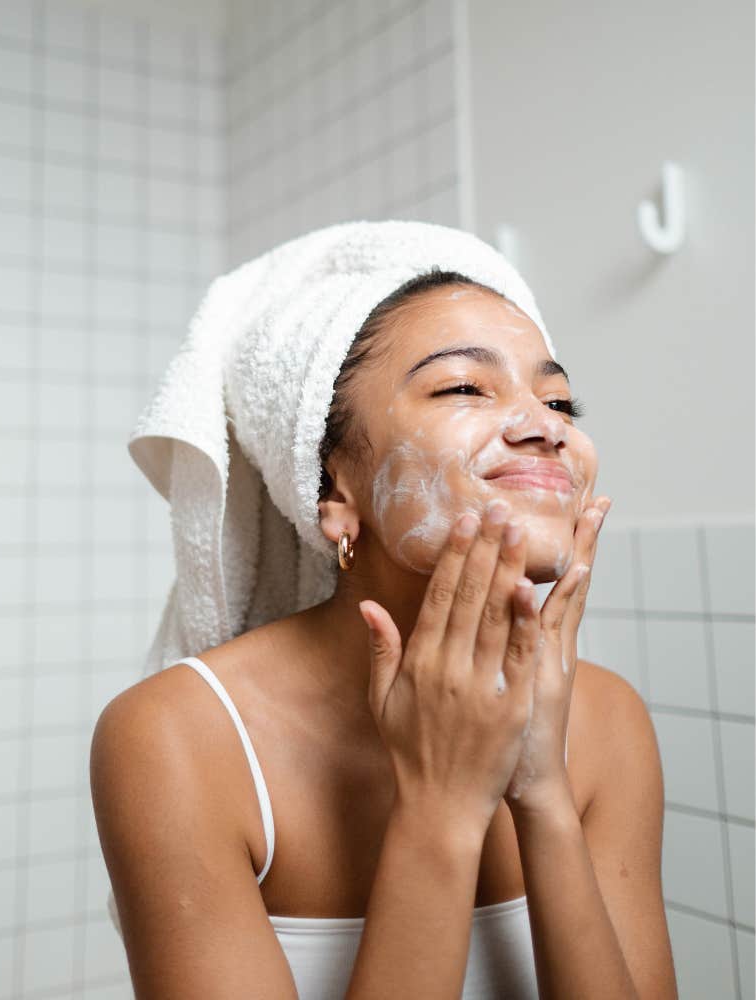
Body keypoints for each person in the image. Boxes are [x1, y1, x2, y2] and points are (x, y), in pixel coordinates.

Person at [90, 224, 677, 998]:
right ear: (333, 488)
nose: (547, 424)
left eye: (561, 397)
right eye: (465, 386)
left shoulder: (605, 720)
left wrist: (542, 795)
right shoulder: (177, 738)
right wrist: (440, 808)